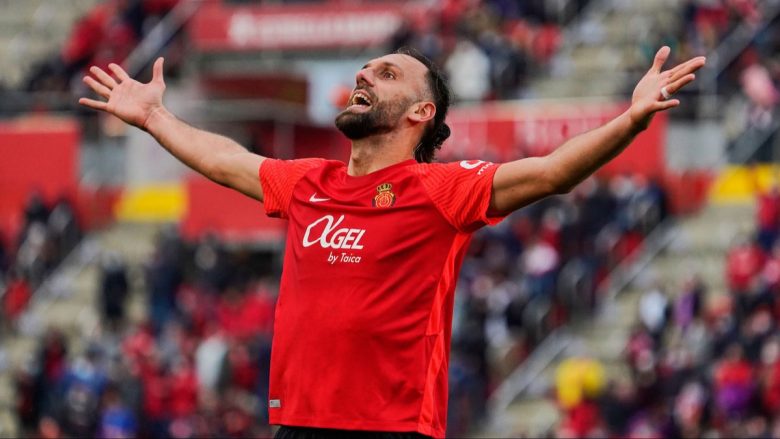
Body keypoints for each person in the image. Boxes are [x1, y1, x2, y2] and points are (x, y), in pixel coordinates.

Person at [79, 46, 705, 438]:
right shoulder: (309, 182)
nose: (365, 75)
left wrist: (631, 120)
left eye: (387, 73)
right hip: (295, 423)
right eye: (365, 70)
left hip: (391, 427)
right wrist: (154, 117)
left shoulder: (442, 190)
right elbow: (225, 160)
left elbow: (551, 172)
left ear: (420, 112)